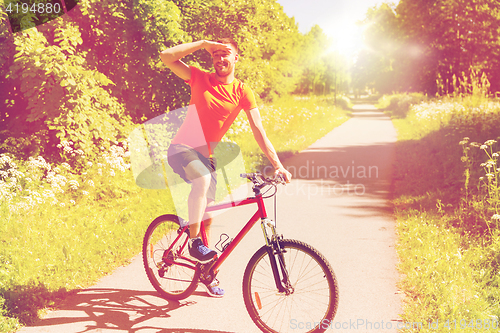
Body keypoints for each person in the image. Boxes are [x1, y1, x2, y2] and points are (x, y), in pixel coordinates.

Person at [160, 38, 292, 297]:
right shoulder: (199, 78)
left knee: (207, 216)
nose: (221, 58)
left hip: (206, 156)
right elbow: (166, 56)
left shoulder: (243, 91)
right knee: (202, 182)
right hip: (182, 149)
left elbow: (258, 130)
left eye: (226, 54)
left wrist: (278, 165)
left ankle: (207, 273)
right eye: (216, 54)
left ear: (236, 58)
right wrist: (203, 43)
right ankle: (194, 244)